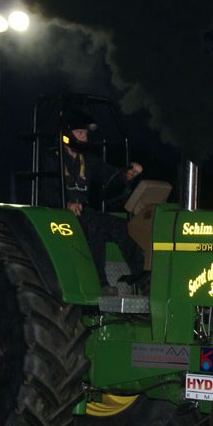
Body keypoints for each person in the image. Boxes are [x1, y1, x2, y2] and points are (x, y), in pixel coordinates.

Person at [60, 109, 146, 295]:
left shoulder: (88, 160)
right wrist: (66, 204)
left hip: (84, 214)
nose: (84, 138)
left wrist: (128, 175)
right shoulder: (53, 158)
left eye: (86, 134)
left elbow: (111, 175)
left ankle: (143, 282)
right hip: (59, 214)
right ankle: (100, 283)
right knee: (95, 225)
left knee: (126, 227)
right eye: (80, 133)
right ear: (66, 135)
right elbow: (45, 190)